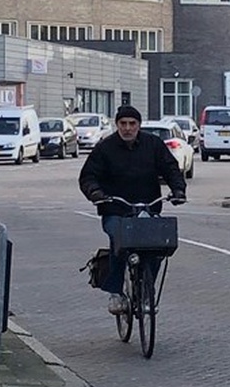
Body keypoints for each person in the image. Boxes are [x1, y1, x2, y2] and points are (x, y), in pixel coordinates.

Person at [79, 105, 186, 315]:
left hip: (148, 206)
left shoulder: (153, 145)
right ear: (116, 124)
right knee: (120, 242)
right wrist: (96, 193)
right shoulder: (105, 148)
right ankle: (116, 292)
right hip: (115, 209)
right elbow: (88, 176)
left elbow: (170, 168)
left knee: (156, 249)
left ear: (139, 125)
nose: (128, 128)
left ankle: (146, 291)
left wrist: (178, 190)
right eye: (123, 124)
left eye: (132, 124)